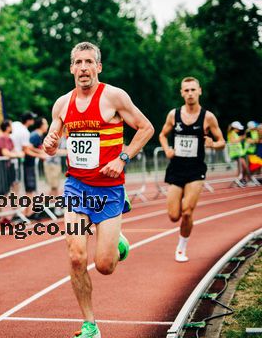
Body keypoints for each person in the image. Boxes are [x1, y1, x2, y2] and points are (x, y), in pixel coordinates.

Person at [43, 42, 154, 338]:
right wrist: (50, 144)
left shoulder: (114, 97)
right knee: (77, 255)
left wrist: (123, 158)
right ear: (71, 68)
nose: (83, 68)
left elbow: (146, 128)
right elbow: (53, 139)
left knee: (104, 266)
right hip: (77, 187)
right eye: (77, 62)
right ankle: (90, 324)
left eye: (88, 62)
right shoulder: (62, 104)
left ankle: (117, 239)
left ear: (98, 67)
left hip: (109, 188)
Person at [159, 76, 225, 263]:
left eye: (193, 90)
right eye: (186, 90)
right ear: (181, 93)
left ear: (199, 91)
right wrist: (167, 149)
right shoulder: (174, 115)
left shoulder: (208, 117)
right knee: (173, 216)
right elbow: (162, 135)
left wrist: (213, 144)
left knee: (187, 212)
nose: (189, 93)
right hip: (176, 168)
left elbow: (222, 141)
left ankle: (181, 247)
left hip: (196, 170)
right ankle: (182, 225)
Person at [25, 117, 49, 220]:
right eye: (46, 124)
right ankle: (28, 212)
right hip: (28, 164)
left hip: (32, 165)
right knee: (30, 189)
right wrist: (40, 154)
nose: (47, 126)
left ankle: (32, 211)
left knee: (33, 189)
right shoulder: (35, 135)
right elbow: (28, 147)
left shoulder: (39, 135)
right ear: (41, 125)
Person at [226, 121, 249, 185]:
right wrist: (241, 138)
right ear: (235, 128)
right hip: (235, 154)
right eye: (238, 128)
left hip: (239, 153)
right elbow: (233, 141)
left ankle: (240, 181)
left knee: (242, 168)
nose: (239, 130)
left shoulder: (235, 134)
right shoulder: (231, 133)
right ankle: (241, 180)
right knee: (244, 167)